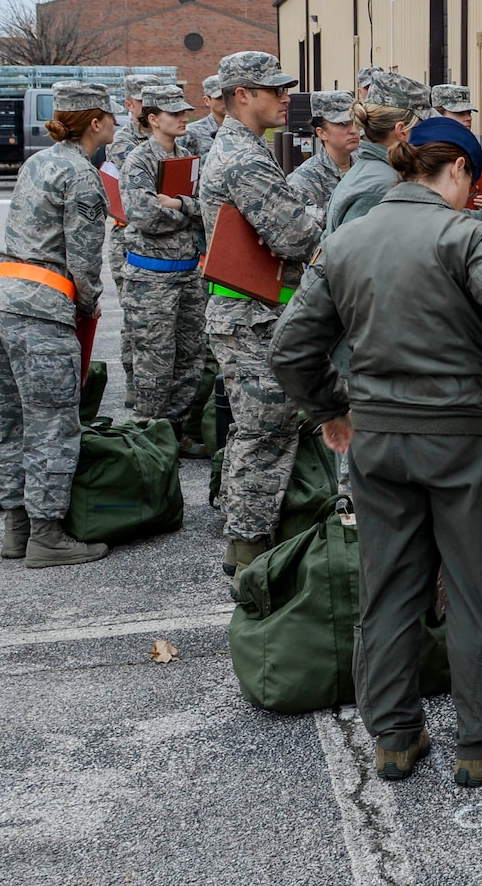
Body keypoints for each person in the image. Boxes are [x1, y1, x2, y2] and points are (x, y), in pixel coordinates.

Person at [270, 114, 482, 788]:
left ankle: (394, 739)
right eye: (472, 181)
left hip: (379, 443)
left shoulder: (346, 241)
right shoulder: (462, 234)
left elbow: (289, 349)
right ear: (458, 170)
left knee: (390, 588)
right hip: (461, 442)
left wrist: (332, 409)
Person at [0, 81, 115, 568]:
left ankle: (16, 530)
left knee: (12, 422)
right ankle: (47, 535)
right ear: (95, 122)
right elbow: (83, 257)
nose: (116, 124)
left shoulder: (37, 161)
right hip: (41, 309)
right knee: (53, 423)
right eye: (111, 117)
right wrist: (89, 304)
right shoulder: (83, 175)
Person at [198, 51, 321, 575]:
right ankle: (247, 550)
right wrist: (316, 217)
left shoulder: (246, 147)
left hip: (253, 312)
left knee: (260, 428)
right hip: (248, 316)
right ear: (241, 95)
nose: (285, 97)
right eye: (274, 89)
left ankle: (251, 538)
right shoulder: (243, 157)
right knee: (265, 431)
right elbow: (295, 235)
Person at [119, 84, 206, 455]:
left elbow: (207, 207)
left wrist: (180, 205)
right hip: (151, 277)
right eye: (175, 114)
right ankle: (146, 438)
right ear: (153, 119)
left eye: (185, 112)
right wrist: (186, 213)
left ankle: (174, 431)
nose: (184, 118)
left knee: (190, 357)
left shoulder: (188, 156)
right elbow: (142, 216)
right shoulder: (138, 161)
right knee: (154, 361)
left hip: (187, 273)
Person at [104, 73, 163, 408]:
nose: (150, 104)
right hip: (127, 236)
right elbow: (148, 188)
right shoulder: (124, 141)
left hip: (167, 241)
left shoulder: (169, 136)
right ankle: (133, 380)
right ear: (129, 104)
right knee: (135, 315)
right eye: (143, 99)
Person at [325, 71, 429, 233]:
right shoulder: (380, 187)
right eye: (423, 126)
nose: (429, 135)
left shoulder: (374, 173)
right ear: (402, 131)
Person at [289, 89, 358, 228]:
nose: (353, 130)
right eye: (342, 124)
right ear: (322, 133)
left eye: (354, 122)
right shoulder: (304, 179)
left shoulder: (365, 165)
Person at [183, 75, 226, 156]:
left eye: (230, 96)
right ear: (207, 100)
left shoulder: (247, 128)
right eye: (220, 97)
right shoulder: (191, 133)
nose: (227, 101)